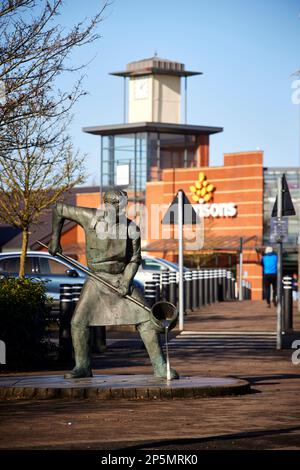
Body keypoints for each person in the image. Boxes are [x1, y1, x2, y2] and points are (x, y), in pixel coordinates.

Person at [48, 188, 178, 380]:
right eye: (119, 207)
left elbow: (135, 259)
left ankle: (160, 366)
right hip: (96, 278)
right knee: (78, 322)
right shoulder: (88, 216)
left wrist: (126, 281)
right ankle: (82, 366)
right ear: (108, 205)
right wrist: (54, 239)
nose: (122, 212)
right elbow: (58, 209)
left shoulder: (131, 228)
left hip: (120, 278)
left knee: (147, 319)